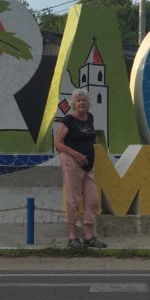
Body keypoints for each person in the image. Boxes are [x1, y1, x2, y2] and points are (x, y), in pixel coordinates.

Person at [54, 88, 107, 249]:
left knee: (92, 200)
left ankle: (89, 236)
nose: (82, 102)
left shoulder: (89, 118)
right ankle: (72, 237)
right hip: (72, 163)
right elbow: (58, 143)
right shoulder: (68, 120)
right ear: (73, 104)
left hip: (88, 166)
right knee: (73, 201)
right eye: (79, 100)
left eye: (84, 100)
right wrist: (76, 154)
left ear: (88, 103)